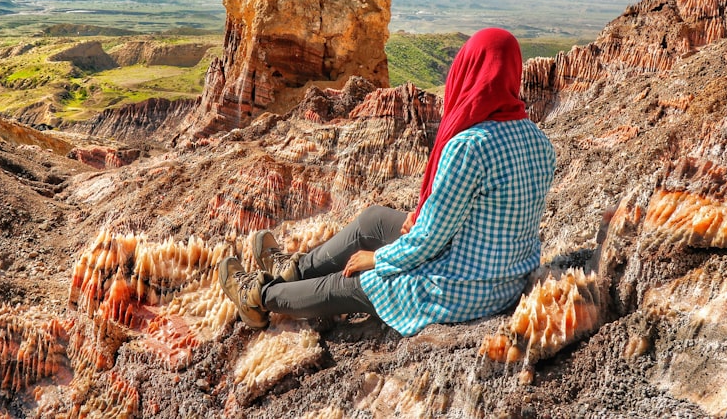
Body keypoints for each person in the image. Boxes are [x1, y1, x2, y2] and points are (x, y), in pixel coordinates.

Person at [218, 27, 556, 336]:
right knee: (374, 221)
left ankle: (258, 296)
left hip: (462, 288)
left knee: (352, 282)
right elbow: (485, 215)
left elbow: (429, 240)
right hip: (507, 274)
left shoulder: (470, 146)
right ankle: (295, 269)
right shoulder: (540, 142)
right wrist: (418, 222)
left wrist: (378, 259)